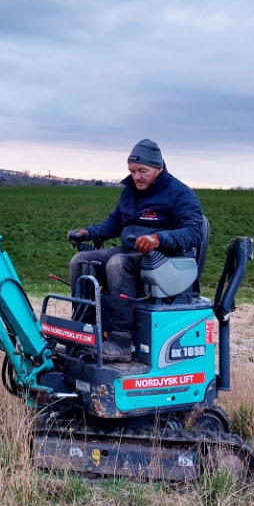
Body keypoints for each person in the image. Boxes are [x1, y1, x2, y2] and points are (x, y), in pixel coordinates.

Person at [67, 139, 203, 361]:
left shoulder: (180, 194)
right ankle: (86, 329)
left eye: (142, 171)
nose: (136, 177)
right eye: (132, 171)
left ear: (159, 168)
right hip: (131, 250)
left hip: (164, 260)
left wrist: (158, 238)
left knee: (118, 263)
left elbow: (194, 233)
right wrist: (88, 233)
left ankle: (121, 341)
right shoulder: (131, 192)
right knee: (82, 260)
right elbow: (114, 223)